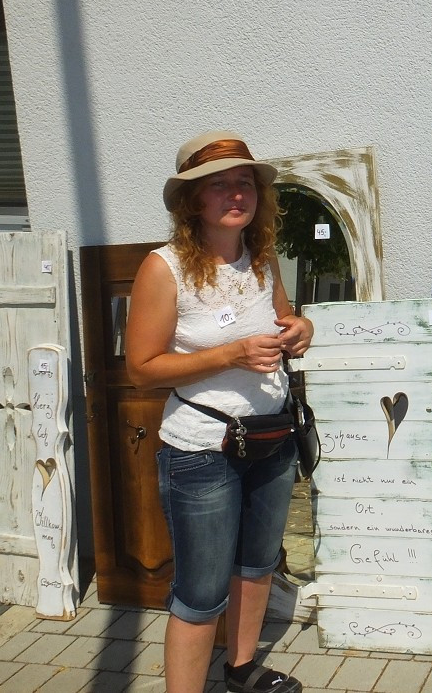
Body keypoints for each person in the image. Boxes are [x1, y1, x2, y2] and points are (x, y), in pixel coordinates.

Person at [126, 131, 313, 693]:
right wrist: (231, 353)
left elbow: (282, 318)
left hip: (272, 435)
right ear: (192, 201)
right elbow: (142, 367)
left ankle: (241, 669)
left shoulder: (261, 259)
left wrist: (299, 327)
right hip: (201, 451)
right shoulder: (164, 269)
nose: (237, 194)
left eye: (245, 183)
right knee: (201, 591)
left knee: (256, 566)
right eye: (219, 185)